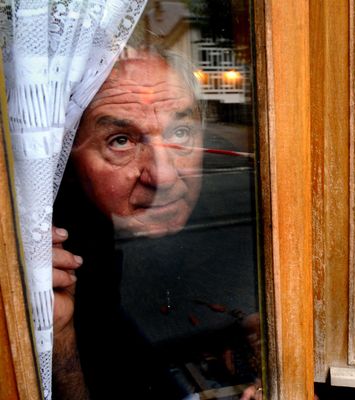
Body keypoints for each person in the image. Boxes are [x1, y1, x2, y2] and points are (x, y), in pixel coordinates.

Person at [52, 48, 261, 399]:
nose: (163, 176)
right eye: (120, 141)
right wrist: (58, 339)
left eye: (180, 132)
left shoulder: (243, 204)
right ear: (67, 158)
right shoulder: (51, 255)